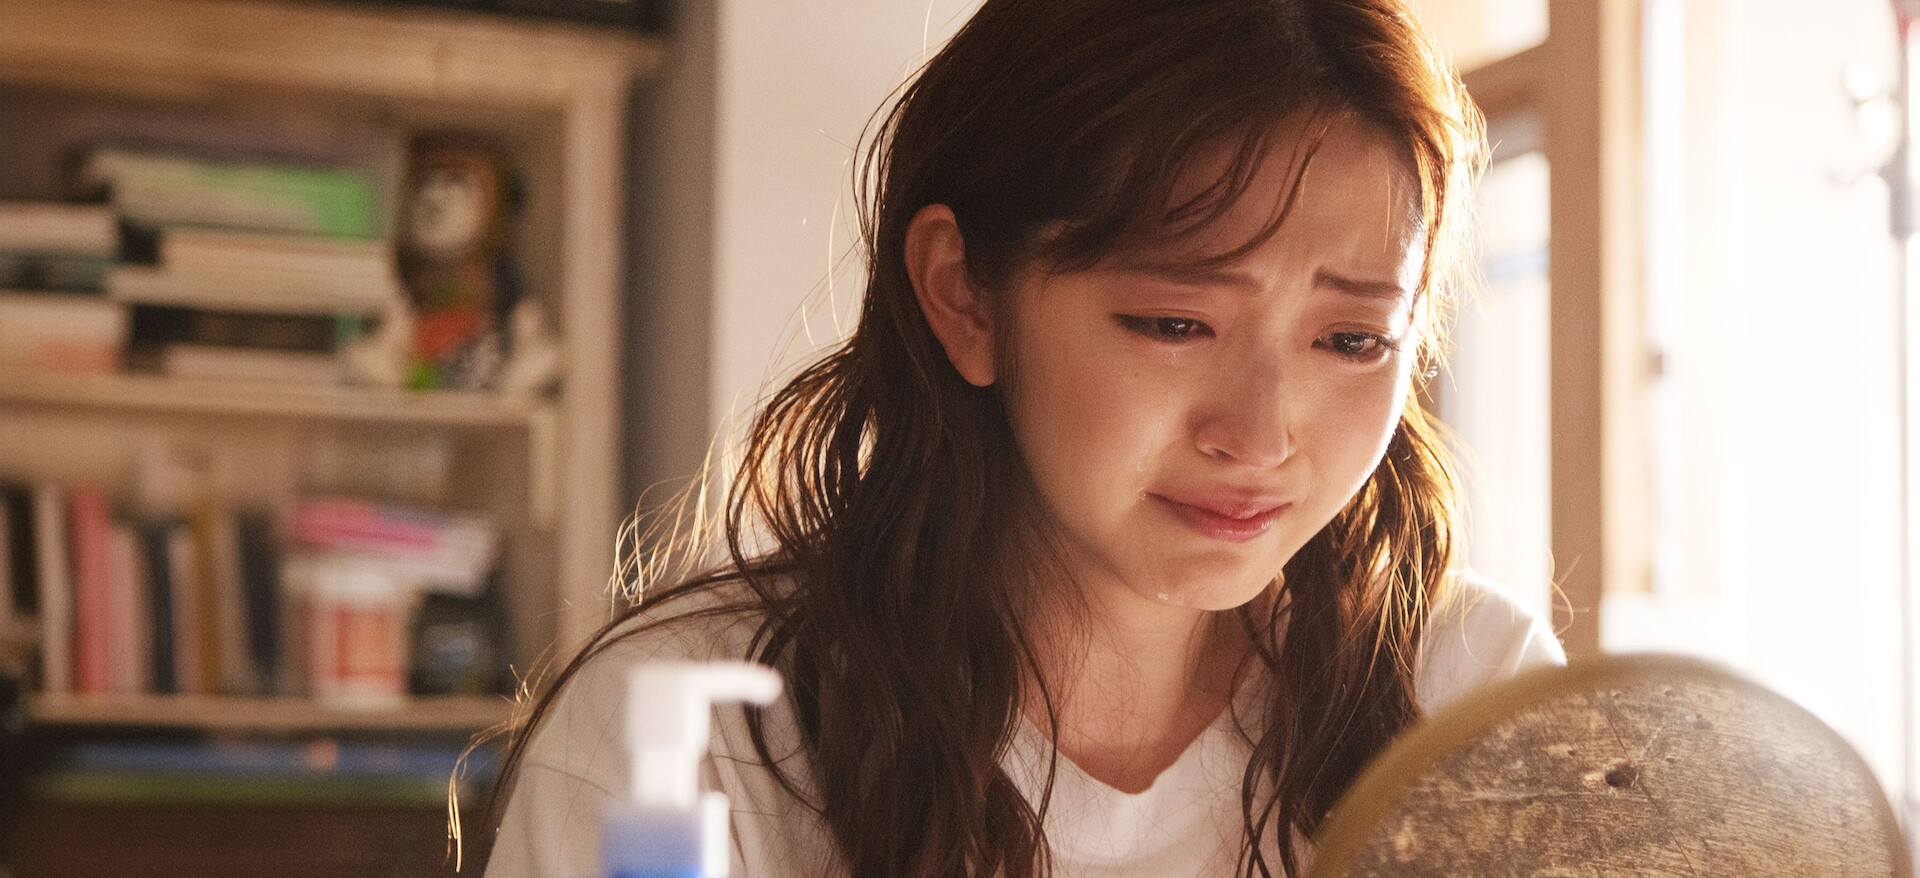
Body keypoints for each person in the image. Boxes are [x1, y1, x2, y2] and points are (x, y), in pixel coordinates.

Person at [483, 0, 1564, 875]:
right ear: (965, 294)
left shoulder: (1470, 692)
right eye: (1175, 323)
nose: (1258, 435)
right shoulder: (695, 744)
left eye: (1353, 340)